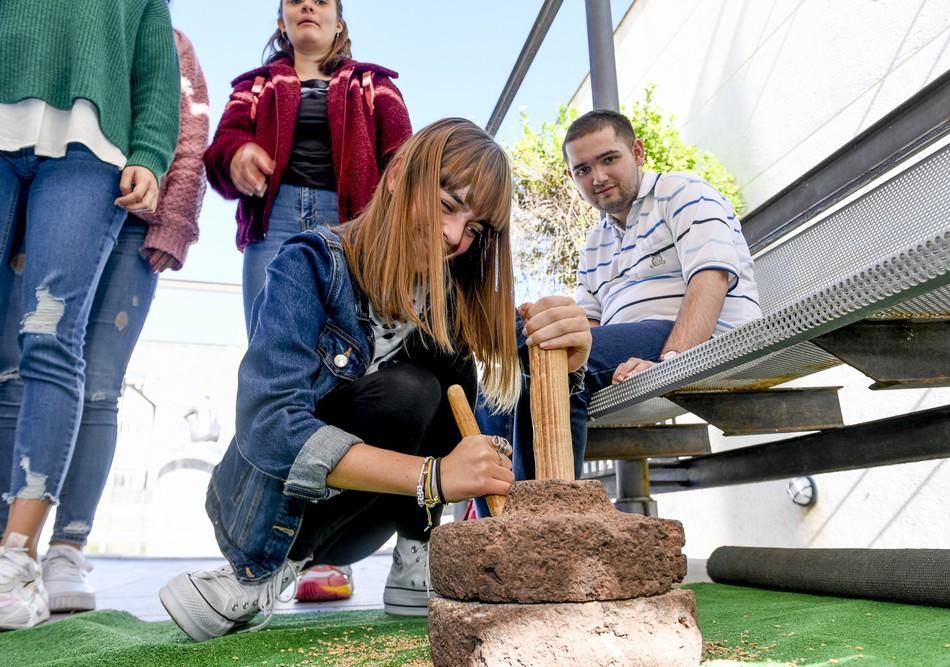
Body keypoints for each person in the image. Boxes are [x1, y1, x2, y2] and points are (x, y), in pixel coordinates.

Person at [158, 119, 592, 642]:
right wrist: (434, 477)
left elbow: (533, 400)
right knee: (409, 388)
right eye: (447, 205)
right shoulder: (310, 264)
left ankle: (418, 556)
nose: (455, 237)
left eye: (474, 229)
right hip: (275, 516)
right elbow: (268, 427)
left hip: (367, 519)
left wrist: (568, 360)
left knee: (447, 363)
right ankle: (260, 575)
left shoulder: (452, 298)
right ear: (397, 175)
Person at [0, 0, 180, 630]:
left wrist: (151, 154)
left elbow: (158, 73)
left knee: (50, 338)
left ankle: (16, 560)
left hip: (89, 151)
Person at [480, 109, 761, 487]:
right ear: (571, 177)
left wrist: (671, 361)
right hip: (631, 345)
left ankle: (542, 518)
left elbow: (711, 280)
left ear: (638, 152)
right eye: (582, 170)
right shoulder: (596, 242)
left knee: (550, 351)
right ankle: (499, 526)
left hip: (700, 340)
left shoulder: (684, 193)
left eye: (609, 159)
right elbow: (590, 326)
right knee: (496, 391)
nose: (597, 177)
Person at [36, 19, 210, 614]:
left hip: (135, 232)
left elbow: (190, 137)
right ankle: (17, 542)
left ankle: (67, 546)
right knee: (26, 365)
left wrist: (173, 220)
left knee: (103, 386)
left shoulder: (175, 44)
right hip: (55, 208)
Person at [204, 0, 412, 334]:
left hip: (352, 226)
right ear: (282, 24)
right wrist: (237, 155)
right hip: (273, 226)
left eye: (320, 2)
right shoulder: (255, 87)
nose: (307, 8)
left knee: (348, 343)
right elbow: (220, 150)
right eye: (296, 2)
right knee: (269, 345)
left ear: (339, 24)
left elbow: (404, 156)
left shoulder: (375, 84)